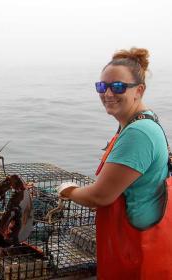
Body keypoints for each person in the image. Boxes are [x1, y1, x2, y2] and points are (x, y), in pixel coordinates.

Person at [57, 48, 172, 279]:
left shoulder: (139, 132)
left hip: (137, 249)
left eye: (118, 87)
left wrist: (68, 190)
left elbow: (100, 196)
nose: (108, 93)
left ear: (139, 90)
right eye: (102, 86)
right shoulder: (137, 122)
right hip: (134, 238)